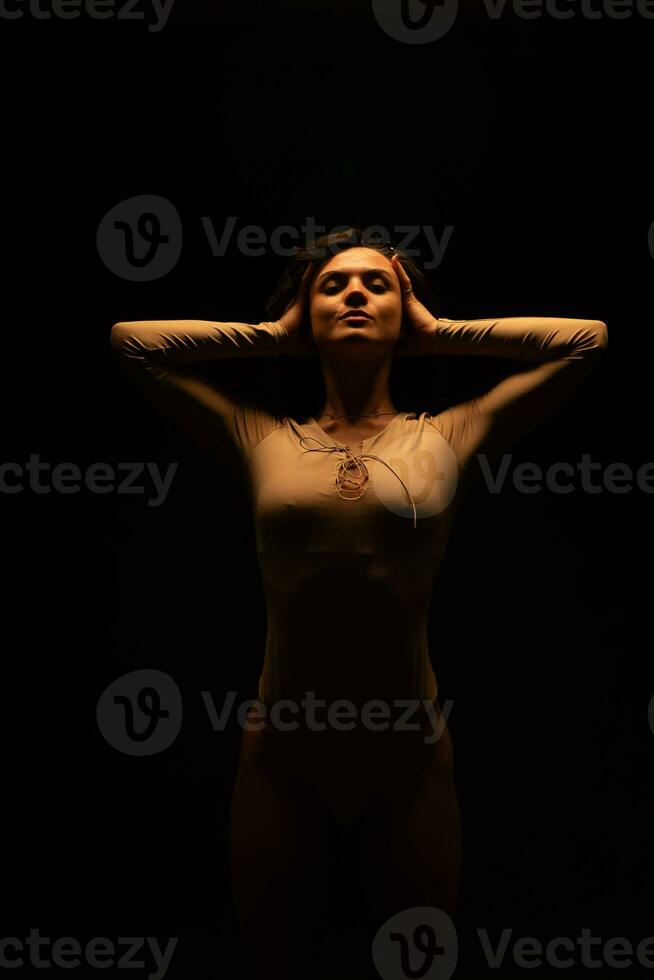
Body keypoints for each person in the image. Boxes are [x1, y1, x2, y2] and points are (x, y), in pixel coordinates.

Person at [110, 227, 608, 979]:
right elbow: (130, 342)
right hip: (284, 750)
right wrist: (274, 338)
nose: (354, 294)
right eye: (333, 285)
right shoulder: (260, 437)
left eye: (377, 284)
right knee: (273, 966)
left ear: (402, 308)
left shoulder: (448, 434)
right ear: (306, 312)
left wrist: (439, 334)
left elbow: (587, 340)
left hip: (406, 752)